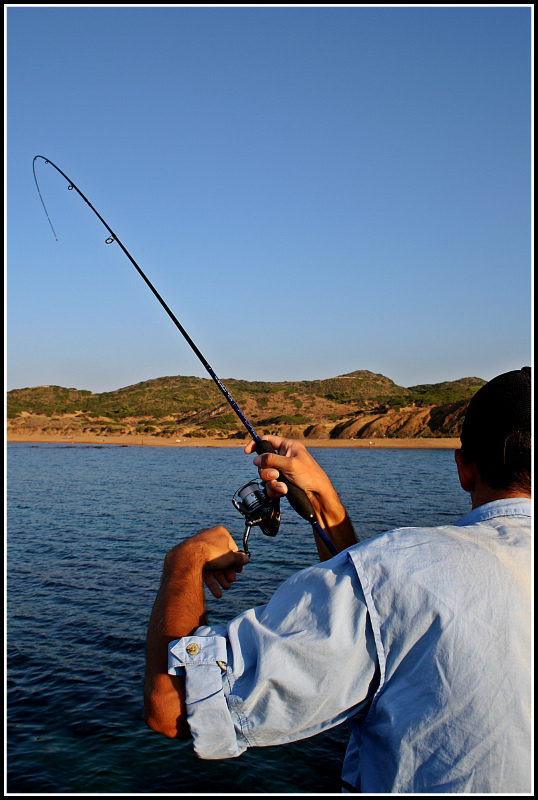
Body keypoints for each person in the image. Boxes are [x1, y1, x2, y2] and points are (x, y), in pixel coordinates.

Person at [144, 367, 531, 793]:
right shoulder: (394, 576)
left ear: (464, 469)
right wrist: (324, 500)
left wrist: (183, 561)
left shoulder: (401, 571)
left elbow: (174, 704)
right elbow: (382, 621)